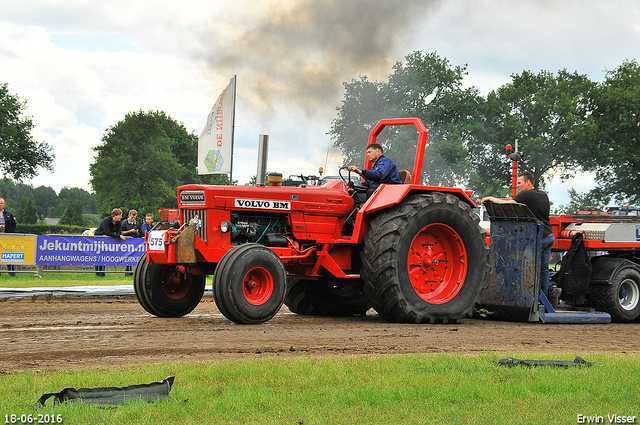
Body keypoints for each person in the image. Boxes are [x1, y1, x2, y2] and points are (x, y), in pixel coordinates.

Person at [481, 171, 556, 302]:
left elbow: (508, 204)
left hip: (538, 237)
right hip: (549, 236)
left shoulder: (526, 194)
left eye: (519, 183)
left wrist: (491, 199)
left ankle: (528, 299)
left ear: (528, 182)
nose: (518, 186)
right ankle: (543, 300)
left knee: (527, 266)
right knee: (543, 269)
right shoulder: (543, 194)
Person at [94, 208, 126, 276]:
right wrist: (118, 236)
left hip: (107, 239)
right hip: (99, 238)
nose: (121, 217)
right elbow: (107, 232)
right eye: (119, 215)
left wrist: (117, 235)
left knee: (104, 256)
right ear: (115, 215)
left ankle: (102, 273)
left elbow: (118, 232)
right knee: (99, 255)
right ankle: (98, 273)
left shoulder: (118, 222)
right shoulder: (106, 220)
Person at [0, 198, 17, 277]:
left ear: (4, 204)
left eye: (1, 203)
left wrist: (10, 232)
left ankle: (12, 273)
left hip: (7, 239)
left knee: (9, 256)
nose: (0, 204)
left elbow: (14, 224)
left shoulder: (9, 214)